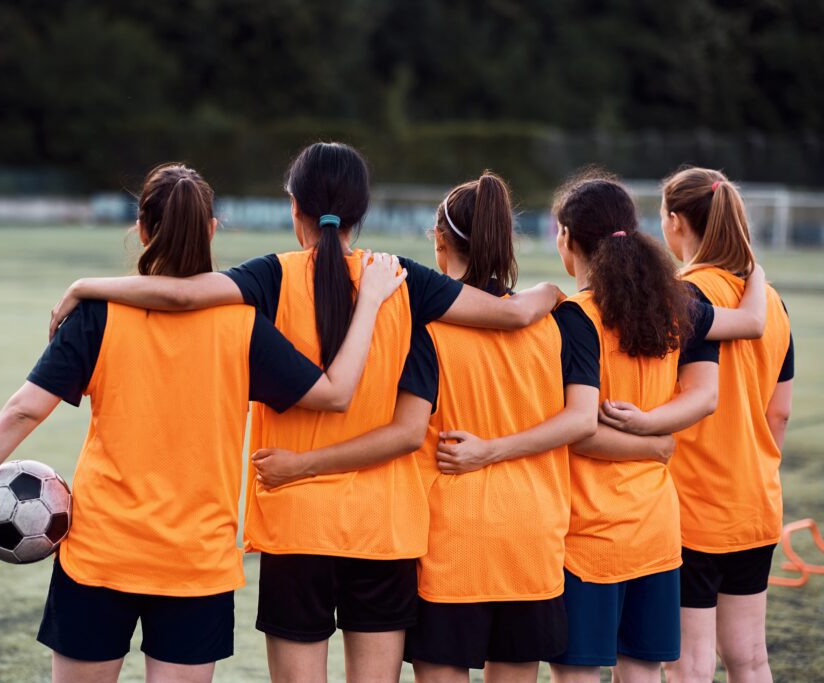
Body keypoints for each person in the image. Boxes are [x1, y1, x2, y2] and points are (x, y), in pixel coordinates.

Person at [46, 142, 564, 682]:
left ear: (295, 208)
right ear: (362, 213)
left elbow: (180, 297)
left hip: (295, 521)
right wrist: (550, 291)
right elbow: (513, 314)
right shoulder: (402, 281)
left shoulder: (271, 277)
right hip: (384, 529)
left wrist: (86, 285)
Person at [252, 171, 764, 683]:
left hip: (453, 546)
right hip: (536, 542)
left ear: (439, 239)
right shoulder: (556, 319)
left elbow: (407, 429)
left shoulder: (430, 327)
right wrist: (654, 440)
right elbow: (589, 411)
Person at [0, 163, 408, 683]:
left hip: (102, 554)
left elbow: (24, 409)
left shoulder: (98, 315)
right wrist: (369, 301)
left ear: (141, 229)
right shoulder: (243, 324)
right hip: (197, 563)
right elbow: (332, 394)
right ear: (212, 230)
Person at [546, 175, 767, 683]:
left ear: (565, 237)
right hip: (656, 530)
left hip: (588, 533)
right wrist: (655, 444)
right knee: (643, 672)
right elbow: (748, 327)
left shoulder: (573, 318)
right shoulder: (674, 308)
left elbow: (576, 428)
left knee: (577, 673)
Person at [633, 168, 791, 683]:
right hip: (755, 501)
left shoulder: (678, 296)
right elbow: (779, 412)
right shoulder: (768, 301)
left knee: (689, 665)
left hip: (691, 505)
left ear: (676, 221)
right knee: (749, 658)